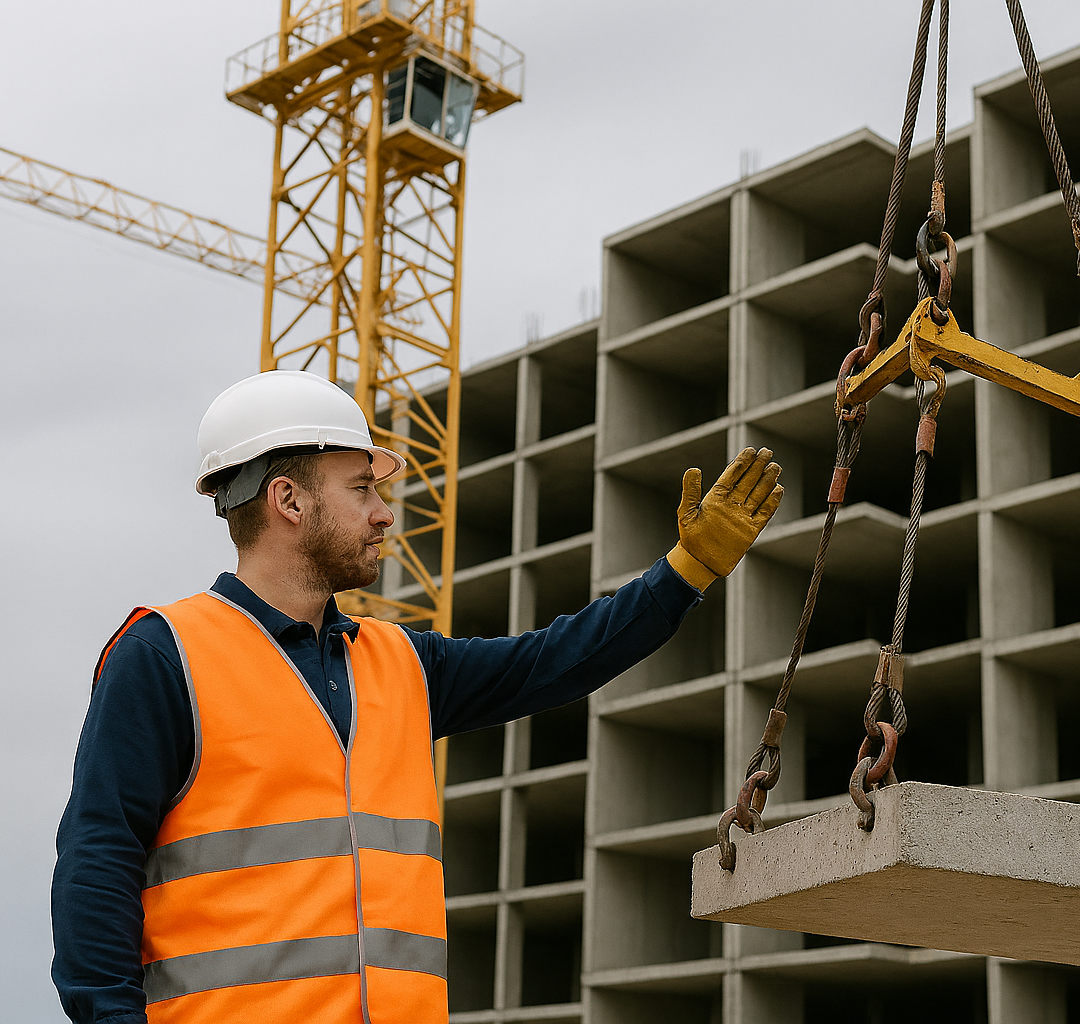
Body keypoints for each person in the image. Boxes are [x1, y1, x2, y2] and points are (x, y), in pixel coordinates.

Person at [52, 370, 783, 1024]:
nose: (383, 514)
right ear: (288, 499)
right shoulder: (164, 655)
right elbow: (97, 866)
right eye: (362, 489)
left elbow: (559, 660)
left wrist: (685, 571)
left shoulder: (399, 661)